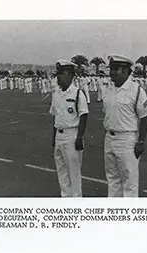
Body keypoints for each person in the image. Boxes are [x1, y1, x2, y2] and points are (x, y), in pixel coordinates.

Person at [101, 55, 147, 196]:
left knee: (129, 182)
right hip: (109, 138)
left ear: (126, 71)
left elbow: (145, 115)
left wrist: (141, 141)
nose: (112, 72)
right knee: (112, 180)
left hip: (127, 140)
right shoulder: (108, 90)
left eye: (116, 69)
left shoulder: (136, 90)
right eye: (111, 69)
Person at [50, 60, 89, 197]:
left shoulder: (78, 93)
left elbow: (84, 115)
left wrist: (80, 137)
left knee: (74, 174)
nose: (58, 77)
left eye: (61, 74)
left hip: (72, 136)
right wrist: (54, 137)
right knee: (62, 173)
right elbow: (55, 116)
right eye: (57, 74)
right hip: (59, 136)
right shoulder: (57, 93)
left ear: (69, 75)